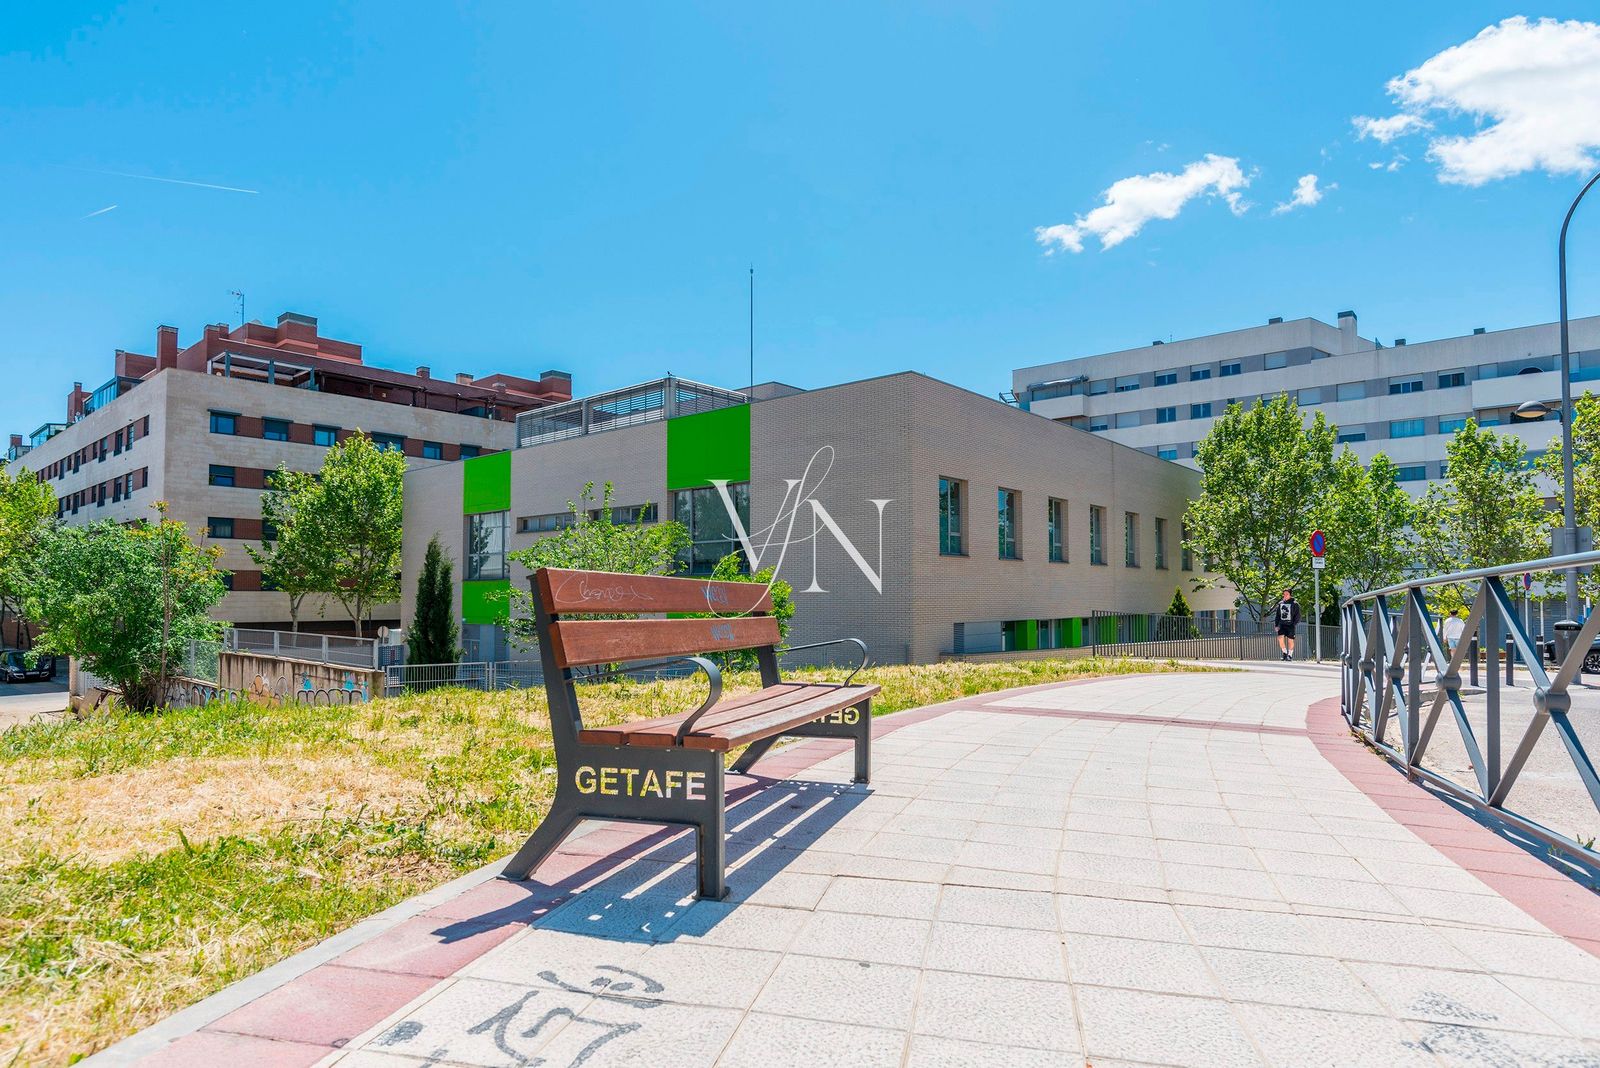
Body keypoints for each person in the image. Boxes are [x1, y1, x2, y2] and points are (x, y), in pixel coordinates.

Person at [1275, 588, 1301, 661]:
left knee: (1290, 640)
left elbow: (1298, 616)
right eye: (1284, 594)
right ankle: (1284, 653)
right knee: (1280, 638)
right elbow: (1277, 615)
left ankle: (1290, 655)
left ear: (1290, 595)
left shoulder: (1295, 604)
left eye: (1287, 594)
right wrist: (1276, 625)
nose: (1285, 595)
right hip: (1282, 624)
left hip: (1290, 625)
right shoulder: (1280, 603)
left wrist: (1294, 624)